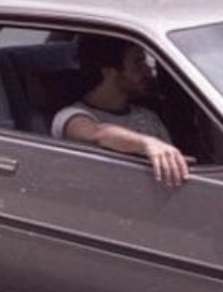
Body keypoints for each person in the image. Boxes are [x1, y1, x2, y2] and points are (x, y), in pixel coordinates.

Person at [51, 35, 190, 187]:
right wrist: (146, 143)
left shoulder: (147, 117)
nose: (147, 70)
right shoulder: (71, 116)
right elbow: (97, 133)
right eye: (138, 62)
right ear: (109, 71)